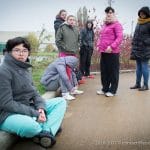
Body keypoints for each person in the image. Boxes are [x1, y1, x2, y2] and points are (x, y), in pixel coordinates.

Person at [0, 37, 67, 148]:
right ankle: (48, 128)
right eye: (17, 50)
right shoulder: (4, 71)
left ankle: (45, 132)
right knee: (31, 127)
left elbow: (34, 92)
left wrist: (41, 108)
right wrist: (35, 113)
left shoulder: (25, 68)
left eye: (25, 50)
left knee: (60, 102)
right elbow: (6, 103)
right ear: (9, 52)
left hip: (27, 107)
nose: (21, 54)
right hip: (7, 114)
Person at [96, 7, 123, 97]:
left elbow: (119, 38)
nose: (108, 14)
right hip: (103, 52)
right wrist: (98, 45)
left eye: (110, 12)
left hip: (113, 52)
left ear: (113, 14)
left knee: (113, 72)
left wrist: (112, 46)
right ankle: (105, 89)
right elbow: (101, 37)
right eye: (107, 12)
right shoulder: (105, 25)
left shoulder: (117, 24)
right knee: (104, 71)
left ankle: (113, 91)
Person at [130, 6, 150, 91]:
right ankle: (137, 84)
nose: (142, 15)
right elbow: (136, 34)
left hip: (145, 49)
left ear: (147, 14)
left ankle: (145, 85)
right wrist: (133, 42)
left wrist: (145, 41)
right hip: (137, 48)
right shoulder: (138, 22)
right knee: (138, 67)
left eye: (143, 13)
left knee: (144, 66)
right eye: (141, 13)